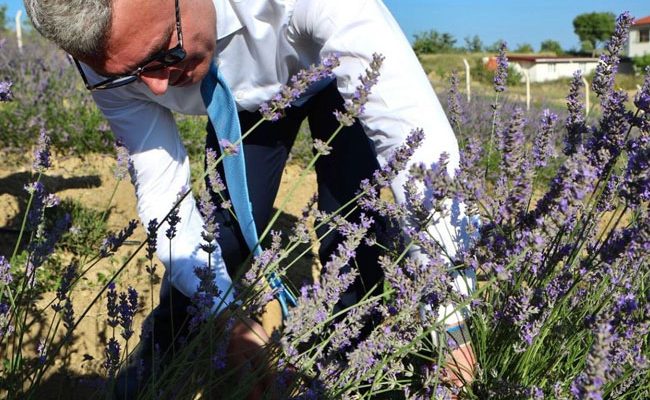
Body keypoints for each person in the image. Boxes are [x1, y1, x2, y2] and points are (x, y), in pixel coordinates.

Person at [24, 0, 476, 397]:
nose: (158, 88)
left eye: (165, 50)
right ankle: (163, 348)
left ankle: (351, 359)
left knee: (353, 222)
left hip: (335, 74)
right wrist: (227, 314)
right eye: (133, 74)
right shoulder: (105, 57)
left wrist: (452, 318)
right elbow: (165, 194)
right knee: (223, 231)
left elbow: (417, 150)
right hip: (245, 98)